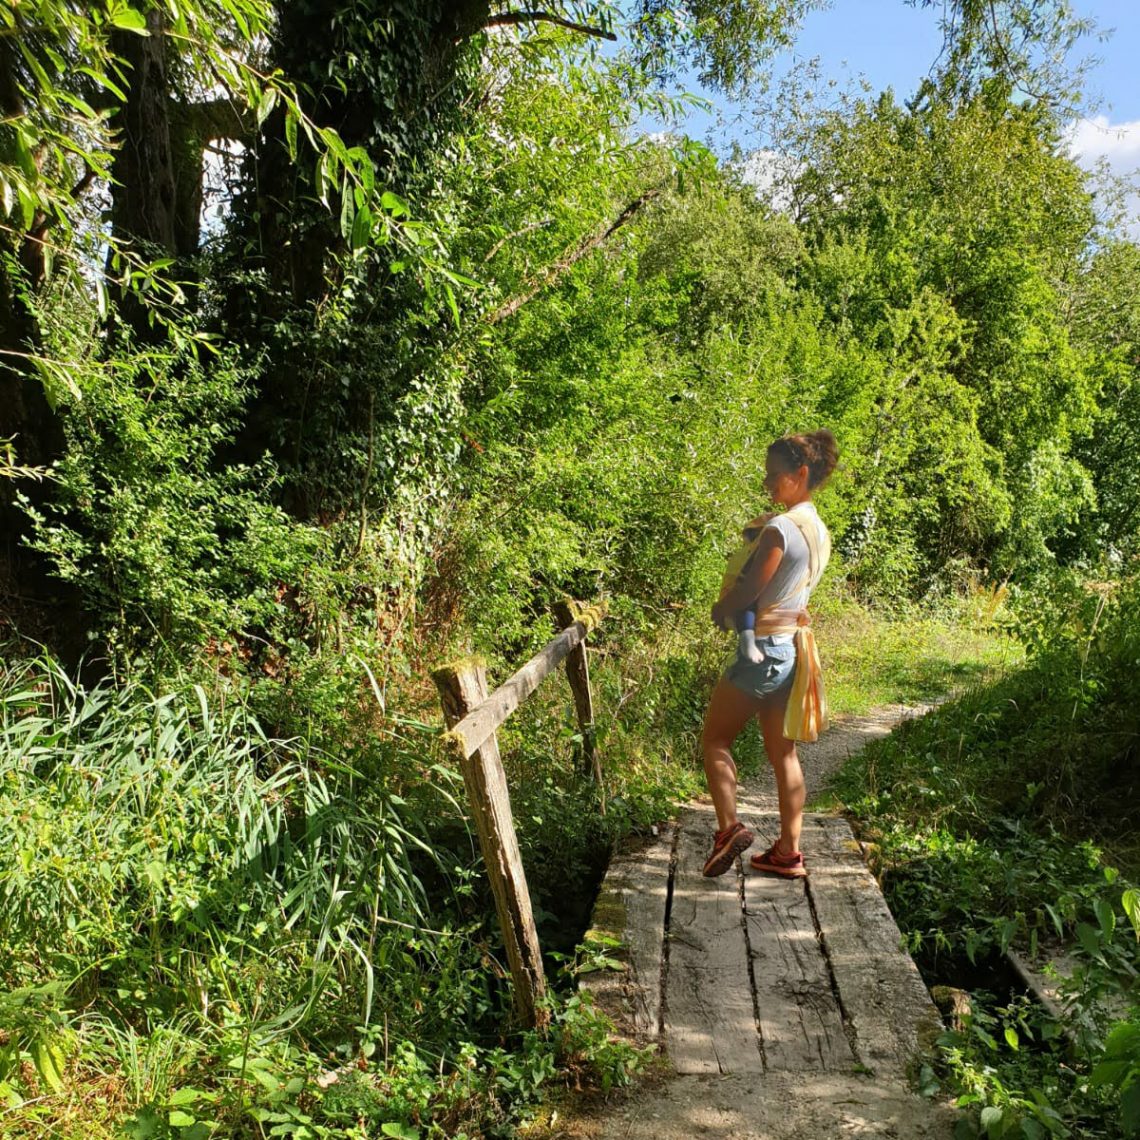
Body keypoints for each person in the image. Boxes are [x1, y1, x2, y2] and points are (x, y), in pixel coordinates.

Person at [700, 430, 838, 879]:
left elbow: (747, 594)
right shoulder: (818, 529)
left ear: (801, 474)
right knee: (784, 754)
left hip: (762, 648)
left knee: (715, 740)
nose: (768, 485)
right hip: (792, 649)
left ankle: (728, 831)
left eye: (774, 477)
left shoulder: (781, 529)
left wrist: (722, 609)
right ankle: (787, 853)